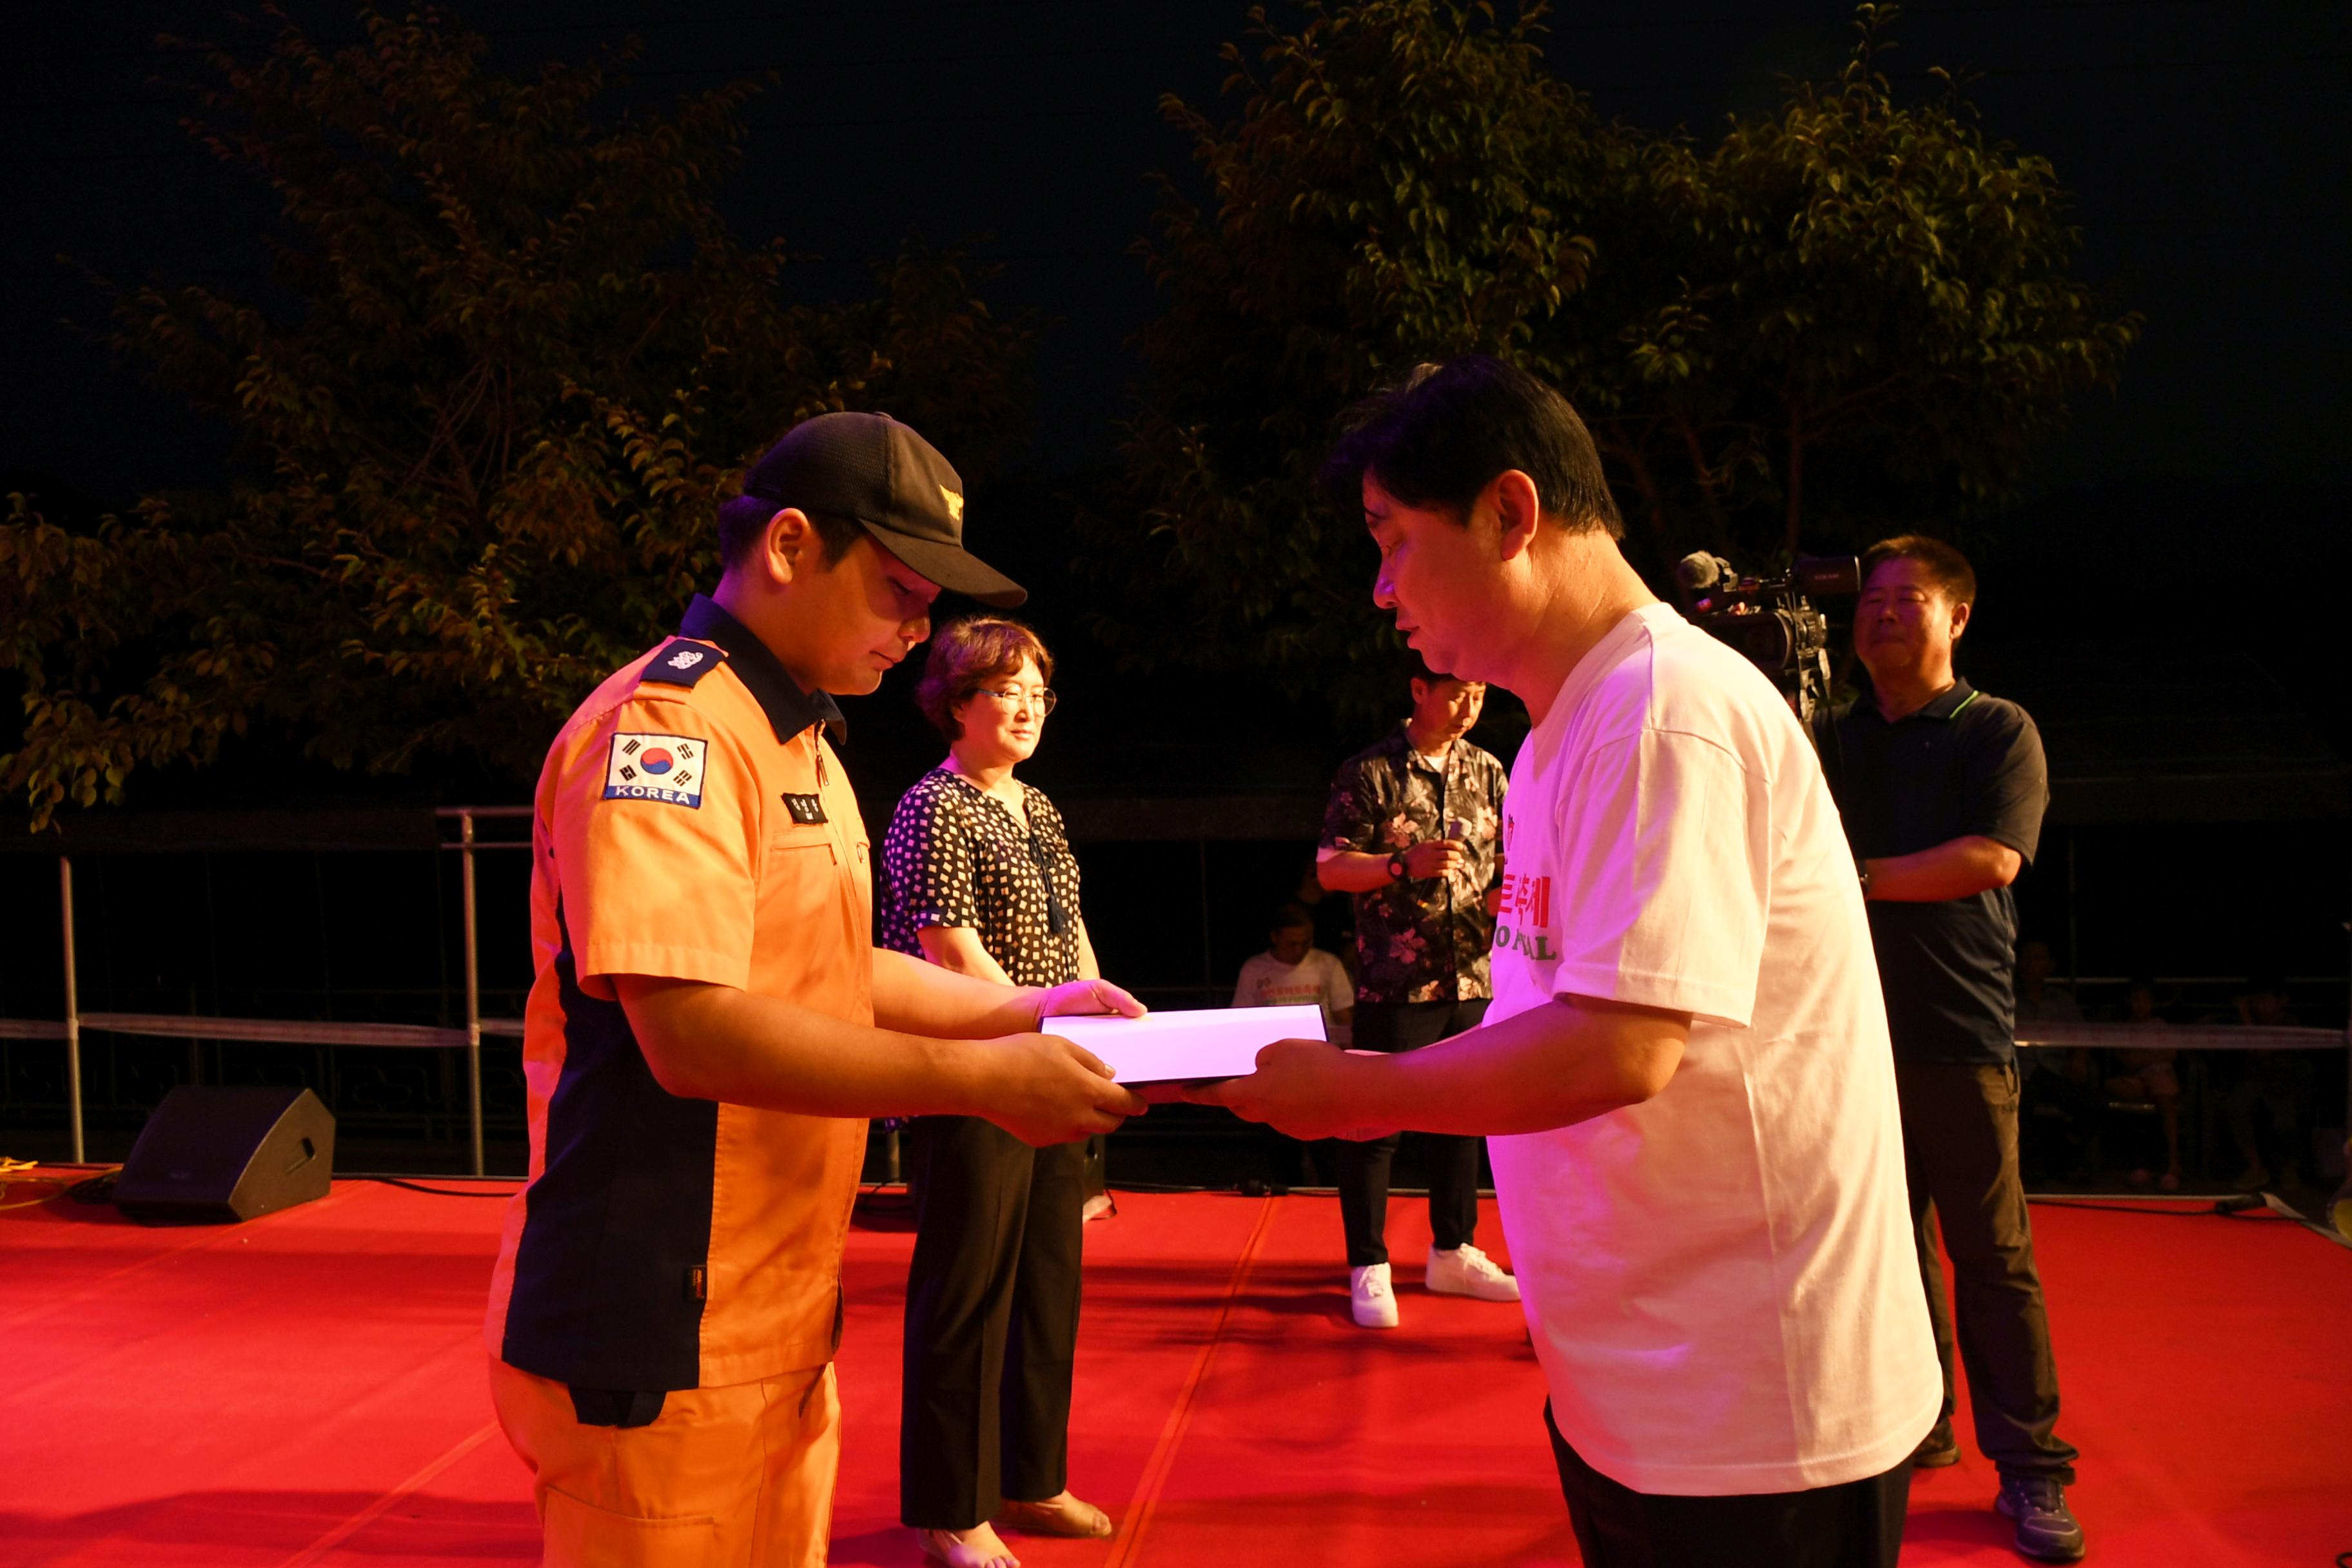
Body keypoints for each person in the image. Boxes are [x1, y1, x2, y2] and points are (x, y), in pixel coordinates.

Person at [1193, 356, 1939, 1567]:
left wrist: (1358, 1095)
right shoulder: (1560, 734)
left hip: (1752, 1396)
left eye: (1390, 540)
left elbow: (1622, 1045)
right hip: (1641, 1375)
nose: (1380, 590)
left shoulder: (1662, 713)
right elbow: (1553, 1007)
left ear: (1509, 512)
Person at [483, 411, 1146, 1568]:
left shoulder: (800, 739)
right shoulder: (669, 727)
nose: (922, 626)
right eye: (898, 588)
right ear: (789, 547)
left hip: (774, 1315)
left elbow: (838, 968)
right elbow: (687, 1032)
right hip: (654, 1318)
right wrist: (986, 1080)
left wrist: (1030, 1010)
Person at [1824, 534, 2085, 1561]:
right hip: (1843, 1038)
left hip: (1958, 1030)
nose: (1883, 614)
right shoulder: (1826, 734)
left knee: (1993, 1258)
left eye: (1908, 599)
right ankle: (1919, 1419)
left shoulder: (1995, 728)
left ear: (1957, 618)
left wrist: (1853, 880)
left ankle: (2032, 1471)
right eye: (1871, 601)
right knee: (1886, 1248)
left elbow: (1993, 858)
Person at [877, 616, 1115, 1568]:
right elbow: (952, 954)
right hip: (975, 1074)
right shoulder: (933, 807)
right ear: (956, 702)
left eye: (1037, 694)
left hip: (1055, 1065)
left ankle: (1032, 1476)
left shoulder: (1038, 806)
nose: (1025, 709)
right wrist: (1044, 1028)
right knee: (965, 1291)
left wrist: (1107, 1039)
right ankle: (949, 1507)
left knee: (1049, 1280)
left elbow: (1075, 936)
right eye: (1004, 691)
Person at [1315, 656, 1518, 1328]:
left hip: (1474, 973)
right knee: (1375, 1121)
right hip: (1396, 981)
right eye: (1458, 694)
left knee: (1466, 1117)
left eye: (1481, 694)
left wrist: (1503, 895)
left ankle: (1453, 1249)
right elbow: (1332, 869)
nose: (1469, 708)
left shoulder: (1488, 768)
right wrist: (1403, 862)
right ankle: (1368, 1263)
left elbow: (1510, 857)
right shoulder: (1370, 769)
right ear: (1420, 689)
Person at [2226, 975, 2311, 1191]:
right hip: (2256, 1081)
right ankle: (2256, 1167)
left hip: (2286, 1082)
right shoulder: (2249, 1023)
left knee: (2285, 1118)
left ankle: (2290, 1167)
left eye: (2264, 1000)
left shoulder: (2289, 1022)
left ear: (2281, 1000)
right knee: (2236, 1105)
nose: (2258, 1006)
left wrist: (2245, 1015)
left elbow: (2261, 1050)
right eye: (2255, 1001)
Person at [1232, 901, 1356, 1046]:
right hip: (1273, 1050)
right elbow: (1243, 1020)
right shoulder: (1254, 969)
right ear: (1275, 937)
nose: (1299, 951)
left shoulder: (1328, 963)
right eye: (1292, 944)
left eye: (1306, 943)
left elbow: (1344, 1017)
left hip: (1320, 1051)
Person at [2109, 979, 2182, 1190]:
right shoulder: (2122, 1029)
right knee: (2122, 1091)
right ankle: (2145, 1167)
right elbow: (2126, 1059)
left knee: (2164, 1100)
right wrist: (2150, 1057)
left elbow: (2171, 1053)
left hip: (2161, 1078)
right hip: (2137, 1081)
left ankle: (2173, 1164)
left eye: (2144, 1000)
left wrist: (2143, 1059)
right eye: (2135, 1000)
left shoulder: (2160, 1026)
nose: (2139, 1005)